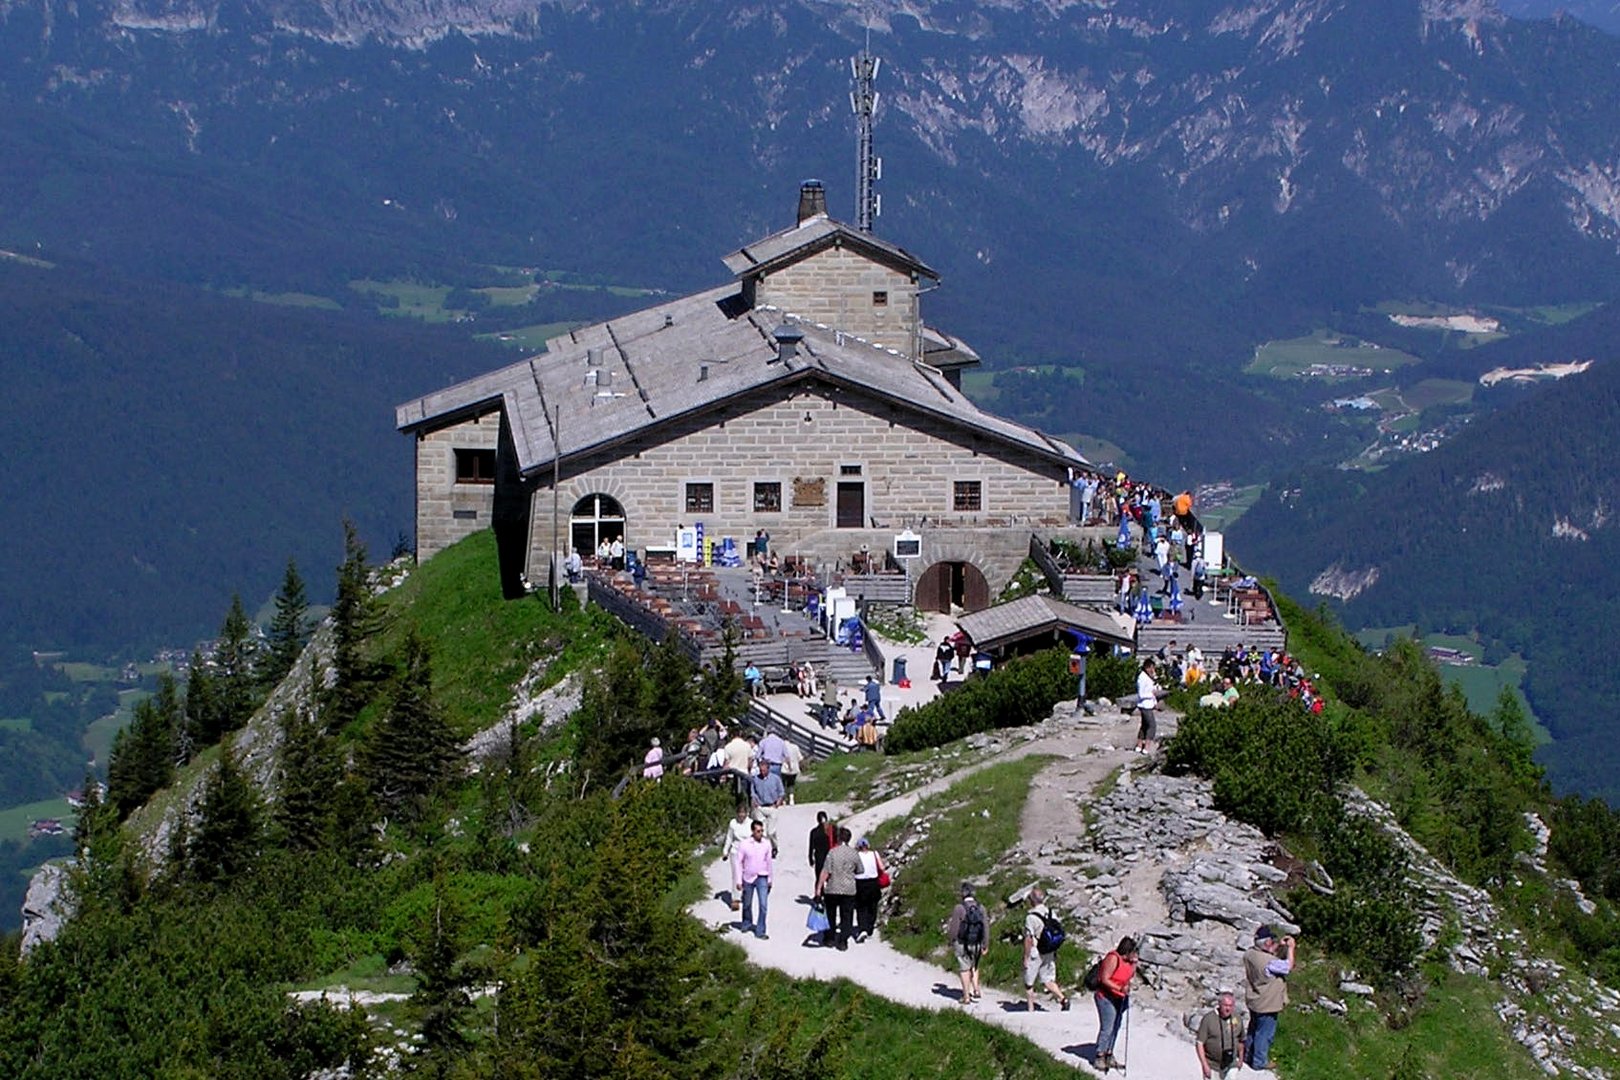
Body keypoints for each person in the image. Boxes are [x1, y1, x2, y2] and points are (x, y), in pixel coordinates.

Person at [1243, 925, 1296, 1071]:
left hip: (1255, 998)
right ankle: (1259, 1061)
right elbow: (1288, 966)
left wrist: (1278, 945)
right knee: (1264, 1034)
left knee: (1253, 1029)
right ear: (1266, 943)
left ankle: (1248, 1055)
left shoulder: (1249, 954)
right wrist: (1291, 948)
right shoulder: (1269, 963)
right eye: (1271, 941)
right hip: (1268, 1002)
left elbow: (1265, 952)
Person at [1093, 936, 1139, 1072]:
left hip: (1120, 998)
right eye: (1133, 952)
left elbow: (1130, 975)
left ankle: (1109, 1053)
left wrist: (1134, 963)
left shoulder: (1129, 962)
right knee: (1107, 1027)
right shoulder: (1113, 958)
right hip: (1106, 996)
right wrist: (1119, 988)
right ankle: (1099, 1056)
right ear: (1127, 950)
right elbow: (1104, 978)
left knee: (1116, 1026)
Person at [1022, 887, 1070, 1011]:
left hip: (1036, 951)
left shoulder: (1030, 917)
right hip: (1049, 950)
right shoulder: (1050, 912)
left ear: (1032, 900)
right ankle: (1062, 998)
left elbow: (1028, 938)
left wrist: (1026, 958)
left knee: (1029, 982)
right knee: (1048, 979)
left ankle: (1030, 1009)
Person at [816, 826, 861, 950]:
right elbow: (860, 870)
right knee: (847, 915)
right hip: (849, 889)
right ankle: (843, 941)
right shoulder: (854, 854)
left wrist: (819, 887)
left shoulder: (832, 852)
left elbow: (825, 871)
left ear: (839, 838)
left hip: (833, 888)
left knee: (831, 914)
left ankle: (830, 938)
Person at [945, 882, 989, 1005]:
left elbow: (954, 927)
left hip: (962, 943)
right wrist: (985, 944)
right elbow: (985, 927)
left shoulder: (959, 908)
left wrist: (951, 941)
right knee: (975, 964)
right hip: (977, 942)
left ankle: (966, 997)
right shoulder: (981, 908)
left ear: (962, 893)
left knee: (965, 968)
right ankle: (976, 989)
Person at [735, 818, 774, 939]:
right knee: (747, 903)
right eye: (758, 831)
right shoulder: (744, 844)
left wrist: (770, 879)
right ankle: (747, 922)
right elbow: (738, 862)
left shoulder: (766, 844)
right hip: (748, 877)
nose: (760, 833)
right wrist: (738, 880)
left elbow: (769, 862)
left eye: (762, 831)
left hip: (762, 876)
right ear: (752, 831)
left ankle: (760, 930)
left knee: (763, 905)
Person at [1196, 992, 1247, 1080]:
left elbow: (1241, 1040)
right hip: (1212, 1064)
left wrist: (1241, 1059)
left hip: (1231, 1062)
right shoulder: (1208, 1019)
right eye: (1225, 1005)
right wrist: (1204, 1064)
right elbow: (1199, 1043)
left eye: (1231, 1006)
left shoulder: (1237, 1018)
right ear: (1219, 1004)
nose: (1228, 1008)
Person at [852, 837, 885, 943]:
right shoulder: (874, 854)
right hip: (873, 883)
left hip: (860, 883)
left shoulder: (856, 855)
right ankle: (870, 928)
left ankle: (862, 928)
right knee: (873, 906)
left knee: (861, 907)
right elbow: (882, 867)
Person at [749, 759, 785, 852]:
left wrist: (778, 802)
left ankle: (774, 846)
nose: (762, 772)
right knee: (762, 831)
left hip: (772, 806)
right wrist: (754, 800)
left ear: (768, 769)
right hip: (761, 807)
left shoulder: (775, 779)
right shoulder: (755, 779)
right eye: (761, 770)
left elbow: (781, 792)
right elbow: (753, 793)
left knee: (771, 831)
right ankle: (765, 849)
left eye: (764, 770)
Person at [1135, 659, 1160, 755]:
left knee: (1144, 725)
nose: (1152, 670)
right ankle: (1146, 746)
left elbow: (1153, 686)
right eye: (1151, 668)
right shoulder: (1142, 678)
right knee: (1151, 726)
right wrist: (1151, 694)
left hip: (1149, 704)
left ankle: (1139, 745)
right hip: (1144, 705)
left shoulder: (1148, 677)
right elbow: (1141, 694)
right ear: (1147, 667)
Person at [809, 811, 835, 882]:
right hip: (830, 856)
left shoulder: (814, 832)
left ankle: (819, 892)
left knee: (819, 878)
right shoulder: (831, 830)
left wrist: (810, 859)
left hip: (819, 857)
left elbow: (811, 847)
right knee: (831, 878)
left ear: (817, 820)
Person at [780, 738, 803, 805]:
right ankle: (791, 799)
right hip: (794, 769)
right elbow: (800, 758)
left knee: (783, 785)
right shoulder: (795, 747)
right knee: (791, 784)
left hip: (784, 769)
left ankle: (784, 800)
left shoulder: (782, 747)